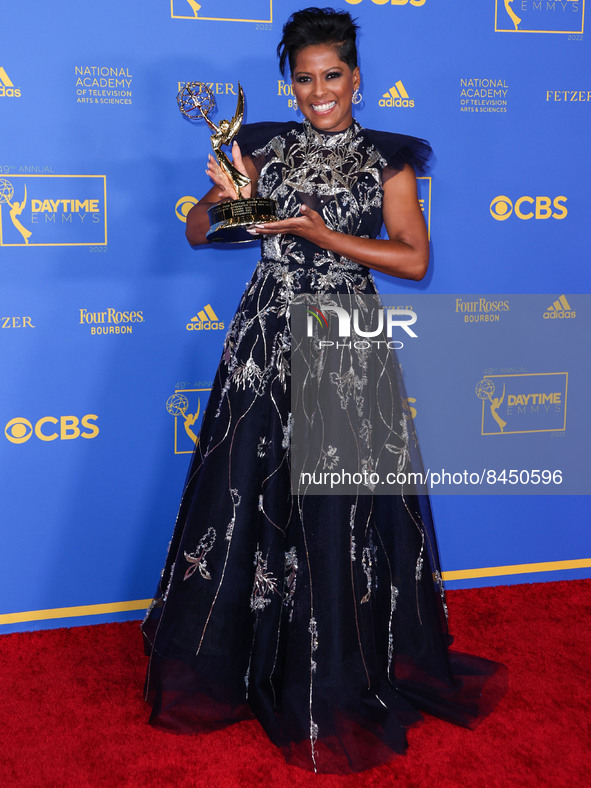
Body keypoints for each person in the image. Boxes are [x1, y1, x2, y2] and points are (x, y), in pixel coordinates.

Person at [142, 7, 506, 774]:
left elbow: (412, 259)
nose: (318, 93)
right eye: (303, 79)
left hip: (344, 330)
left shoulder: (387, 157)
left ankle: (336, 667)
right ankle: (246, 659)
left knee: (338, 509)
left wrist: (320, 234)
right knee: (247, 492)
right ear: (290, 83)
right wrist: (228, 197)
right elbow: (200, 231)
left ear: (355, 78)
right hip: (265, 332)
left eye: (331, 76)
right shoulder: (261, 145)